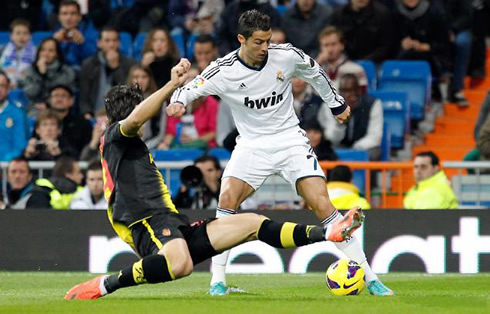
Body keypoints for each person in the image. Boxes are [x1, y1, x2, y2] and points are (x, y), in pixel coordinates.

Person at [64, 58, 363, 300]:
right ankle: (107, 284)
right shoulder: (114, 136)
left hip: (170, 221)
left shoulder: (130, 145)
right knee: (180, 265)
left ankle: (329, 234)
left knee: (251, 224)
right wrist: (172, 84)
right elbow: (135, 119)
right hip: (145, 222)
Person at [167, 10, 393, 296]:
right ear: (241, 39)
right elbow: (191, 87)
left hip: (289, 141)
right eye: (259, 42)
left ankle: (371, 278)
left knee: (323, 205)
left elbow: (316, 72)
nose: (265, 48)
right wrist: (178, 102)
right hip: (251, 145)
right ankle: (218, 282)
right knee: (226, 202)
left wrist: (336, 104)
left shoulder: (286, 55)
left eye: (268, 40)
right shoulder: (223, 69)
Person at [319, 73, 383, 161]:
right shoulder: (329, 105)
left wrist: (354, 149)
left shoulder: (373, 104)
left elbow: (375, 137)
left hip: (362, 148)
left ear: (359, 91)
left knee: (374, 153)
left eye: (352, 90)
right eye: (344, 91)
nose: (349, 94)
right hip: (337, 146)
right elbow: (331, 137)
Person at [80, 26, 137, 119]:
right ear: (99, 43)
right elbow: (84, 96)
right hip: (94, 116)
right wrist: (87, 115)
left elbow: (128, 93)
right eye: (107, 41)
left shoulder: (130, 65)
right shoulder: (88, 65)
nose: (111, 45)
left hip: (122, 116)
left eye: (114, 41)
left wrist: (116, 68)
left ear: (119, 43)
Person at [161, 66, 219, 150]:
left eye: (195, 78)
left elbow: (214, 132)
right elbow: (170, 131)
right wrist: (165, 144)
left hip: (204, 148)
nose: (191, 81)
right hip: (180, 147)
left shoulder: (211, 103)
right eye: (188, 78)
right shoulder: (175, 101)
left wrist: (194, 140)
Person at [23, 37, 76, 116]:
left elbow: (64, 92)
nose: (46, 54)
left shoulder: (66, 71)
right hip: (36, 108)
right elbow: (31, 93)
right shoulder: (31, 70)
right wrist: (41, 75)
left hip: (59, 107)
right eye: (43, 50)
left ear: (57, 54)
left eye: (51, 51)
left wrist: (48, 104)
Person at [331, 0, 396, 63]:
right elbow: (335, 40)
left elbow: (387, 45)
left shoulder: (383, 14)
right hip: (345, 62)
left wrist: (365, 61)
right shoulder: (339, 14)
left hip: (375, 63)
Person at [126, 64, 165, 149]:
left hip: (150, 146)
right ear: (131, 79)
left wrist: (142, 147)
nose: (140, 80)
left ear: (150, 79)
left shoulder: (159, 101)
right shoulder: (123, 101)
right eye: (136, 77)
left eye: (144, 77)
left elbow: (160, 134)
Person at [316, 26, 367, 91]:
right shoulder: (316, 69)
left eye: (333, 44)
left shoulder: (356, 69)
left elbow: (362, 96)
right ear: (321, 48)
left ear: (342, 45)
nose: (330, 49)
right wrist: (317, 63)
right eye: (326, 45)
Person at [48, 85, 92, 158]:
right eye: (55, 96)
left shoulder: (82, 123)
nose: (59, 99)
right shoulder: (42, 122)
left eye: (63, 96)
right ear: (49, 100)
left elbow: (87, 148)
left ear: (71, 101)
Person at [52, 0, 98, 68]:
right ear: (59, 17)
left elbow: (94, 58)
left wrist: (82, 44)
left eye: (73, 13)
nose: (68, 18)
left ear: (79, 17)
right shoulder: (54, 34)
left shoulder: (91, 32)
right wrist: (54, 43)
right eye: (64, 14)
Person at [0, 71, 28, 161]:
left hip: (8, 169)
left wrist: (4, 164)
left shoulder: (18, 114)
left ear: (8, 89)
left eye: (2, 85)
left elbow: (20, 145)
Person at [0, 19, 36, 88]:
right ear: (11, 36)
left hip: (27, 86)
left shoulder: (36, 52)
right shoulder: (2, 50)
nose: (21, 37)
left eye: (25, 33)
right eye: (18, 33)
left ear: (30, 36)